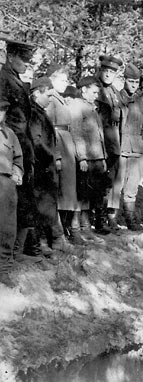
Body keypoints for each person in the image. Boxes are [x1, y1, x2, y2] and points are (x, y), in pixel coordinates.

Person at [0, 37, 41, 263]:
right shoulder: (3, 79)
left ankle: (16, 254)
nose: (27, 64)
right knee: (14, 202)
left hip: (23, 146)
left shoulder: (13, 78)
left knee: (24, 200)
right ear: (11, 56)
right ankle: (10, 257)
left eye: (29, 59)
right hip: (10, 147)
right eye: (24, 59)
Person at [45, 64, 85, 246]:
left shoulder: (59, 99)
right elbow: (49, 130)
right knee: (60, 193)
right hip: (59, 145)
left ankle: (65, 232)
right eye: (61, 79)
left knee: (67, 193)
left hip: (66, 145)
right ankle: (58, 236)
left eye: (66, 80)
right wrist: (58, 155)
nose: (65, 83)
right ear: (51, 79)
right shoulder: (50, 99)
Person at [29, 76, 67, 254]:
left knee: (48, 205)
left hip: (46, 166)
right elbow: (37, 143)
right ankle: (43, 244)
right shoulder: (34, 114)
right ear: (37, 93)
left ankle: (53, 242)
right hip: (41, 167)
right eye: (48, 95)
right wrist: (51, 156)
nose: (51, 99)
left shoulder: (40, 113)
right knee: (41, 206)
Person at [69, 75, 108, 240]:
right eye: (93, 92)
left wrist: (103, 158)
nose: (95, 95)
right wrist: (82, 157)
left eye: (97, 93)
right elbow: (76, 132)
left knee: (91, 195)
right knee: (81, 194)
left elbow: (99, 136)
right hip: (87, 159)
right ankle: (76, 229)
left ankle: (86, 227)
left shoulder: (91, 107)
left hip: (97, 158)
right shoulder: (77, 106)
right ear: (83, 90)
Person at [96, 54, 124, 232]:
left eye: (111, 72)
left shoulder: (115, 92)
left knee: (109, 183)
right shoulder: (96, 89)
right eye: (105, 70)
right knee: (100, 183)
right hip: (101, 142)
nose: (108, 74)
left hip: (114, 142)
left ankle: (107, 218)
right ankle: (98, 221)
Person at [119, 62, 143, 231]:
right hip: (121, 147)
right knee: (116, 185)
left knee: (132, 186)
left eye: (136, 82)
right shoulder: (118, 97)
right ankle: (110, 219)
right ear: (124, 80)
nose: (134, 85)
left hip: (137, 149)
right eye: (131, 81)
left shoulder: (141, 102)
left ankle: (130, 219)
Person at [0, 100, 24, 287]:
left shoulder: (9, 134)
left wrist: (17, 172)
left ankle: (4, 269)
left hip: (6, 184)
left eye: (2, 110)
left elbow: (18, 158)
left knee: (7, 227)